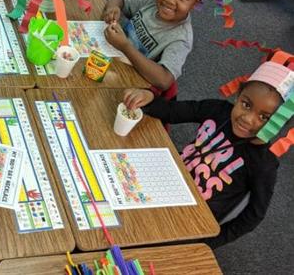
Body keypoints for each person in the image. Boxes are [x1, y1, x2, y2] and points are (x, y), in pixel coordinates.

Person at [122, 50, 293, 248]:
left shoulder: (264, 165)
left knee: (135, 243)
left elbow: (254, 215)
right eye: (246, 104)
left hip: (188, 220)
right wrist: (149, 96)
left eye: (264, 117)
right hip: (168, 180)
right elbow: (173, 112)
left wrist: (210, 241)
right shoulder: (218, 110)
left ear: (280, 124)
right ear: (238, 96)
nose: (248, 118)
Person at [102, 0, 232, 92]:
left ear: (196, 2)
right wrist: (113, 8)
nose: (170, 0)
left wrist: (125, 46)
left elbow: (164, 80)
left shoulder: (180, 38)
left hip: (132, 86)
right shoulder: (152, 1)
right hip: (111, 58)